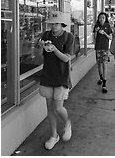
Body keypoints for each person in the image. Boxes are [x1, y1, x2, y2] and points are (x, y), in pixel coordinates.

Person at [38, 11, 74, 150]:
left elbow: (66, 58)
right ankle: (54, 135)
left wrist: (53, 49)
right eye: (51, 24)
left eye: (56, 24)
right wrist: (41, 47)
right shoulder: (45, 35)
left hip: (62, 76)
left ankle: (67, 122)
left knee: (58, 108)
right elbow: (38, 56)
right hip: (47, 75)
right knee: (49, 108)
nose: (53, 26)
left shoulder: (68, 37)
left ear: (62, 24)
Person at [93, 12, 112, 93]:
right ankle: (100, 77)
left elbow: (110, 37)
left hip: (105, 48)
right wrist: (96, 32)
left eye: (103, 17)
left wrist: (104, 33)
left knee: (104, 64)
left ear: (105, 18)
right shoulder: (96, 26)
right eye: (100, 17)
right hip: (98, 48)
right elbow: (94, 37)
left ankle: (104, 83)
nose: (101, 19)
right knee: (99, 64)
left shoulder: (107, 26)